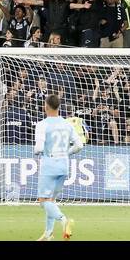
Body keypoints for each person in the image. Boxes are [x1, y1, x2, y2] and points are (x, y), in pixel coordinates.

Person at [33, 92, 85, 241]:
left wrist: (37, 151)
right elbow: (79, 145)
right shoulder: (66, 124)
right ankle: (48, 234)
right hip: (63, 166)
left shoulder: (42, 125)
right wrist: (66, 153)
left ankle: (64, 220)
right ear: (59, 107)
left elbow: (38, 148)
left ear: (46, 107)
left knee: (44, 202)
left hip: (49, 166)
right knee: (51, 201)